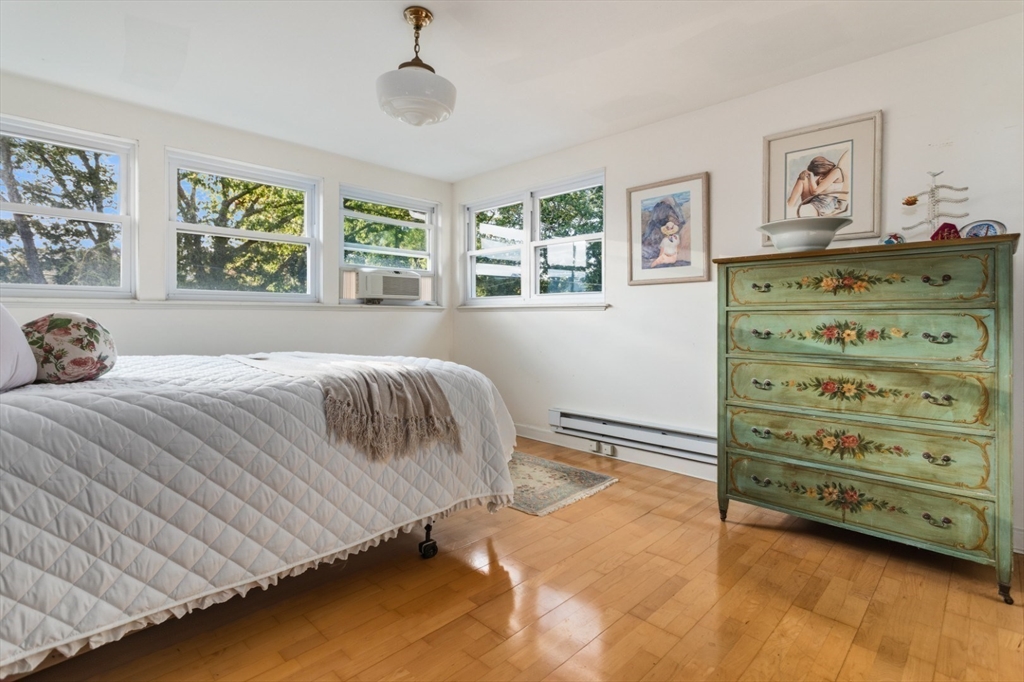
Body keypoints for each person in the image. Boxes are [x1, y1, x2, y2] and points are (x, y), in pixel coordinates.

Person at [786, 151, 849, 217]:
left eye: (818, 174)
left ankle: (790, 210)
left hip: (825, 204)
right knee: (803, 179)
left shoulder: (836, 171)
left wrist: (811, 177)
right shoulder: (824, 175)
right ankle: (789, 206)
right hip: (816, 200)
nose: (819, 175)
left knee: (793, 213)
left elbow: (815, 191)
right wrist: (806, 176)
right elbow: (814, 190)